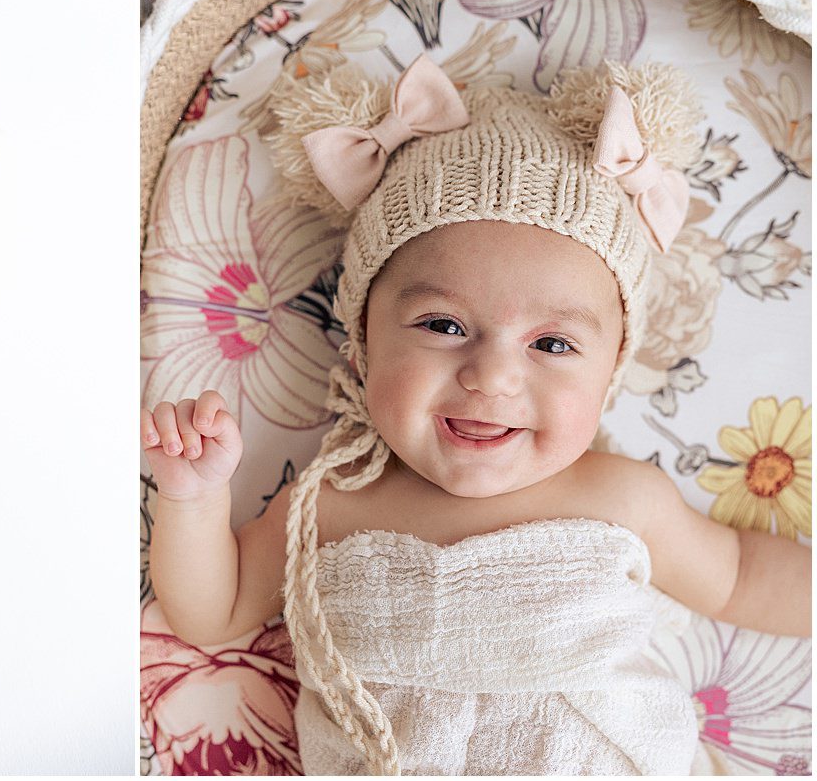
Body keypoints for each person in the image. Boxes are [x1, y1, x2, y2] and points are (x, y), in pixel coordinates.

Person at [141, 53, 811, 776]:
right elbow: (214, 611)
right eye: (442, 325)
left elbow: (741, 574)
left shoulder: (620, 498)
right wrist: (194, 497)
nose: (490, 376)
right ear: (364, 344)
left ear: (611, 373)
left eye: (552, 343)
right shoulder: (328, 505)